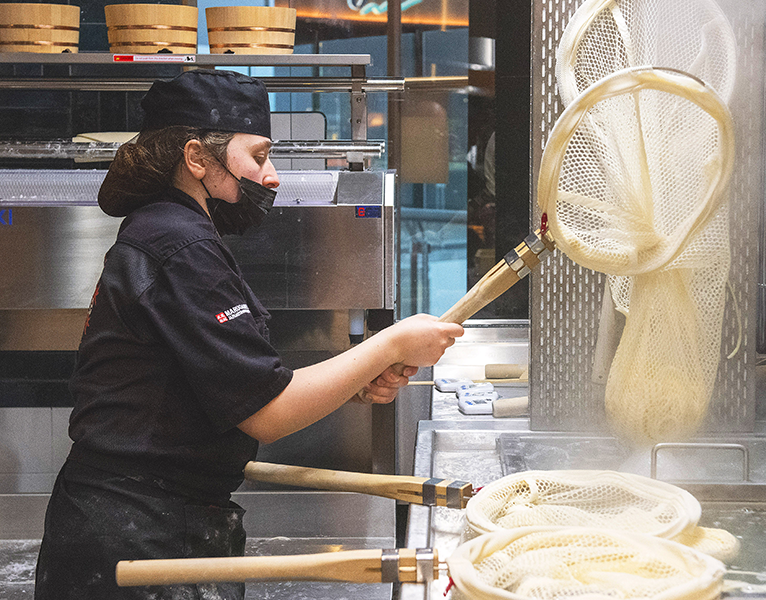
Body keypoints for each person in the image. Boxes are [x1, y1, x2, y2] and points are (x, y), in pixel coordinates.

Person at [34, 69, 463, 600]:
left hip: (149, 520)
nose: (274, 175)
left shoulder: (172, 231)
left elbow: (224, 385)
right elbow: (268, 410)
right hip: (136, 533)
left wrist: (355, 377)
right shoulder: (181, 246)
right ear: (196, 159)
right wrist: (391, 344)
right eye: (259, 156)